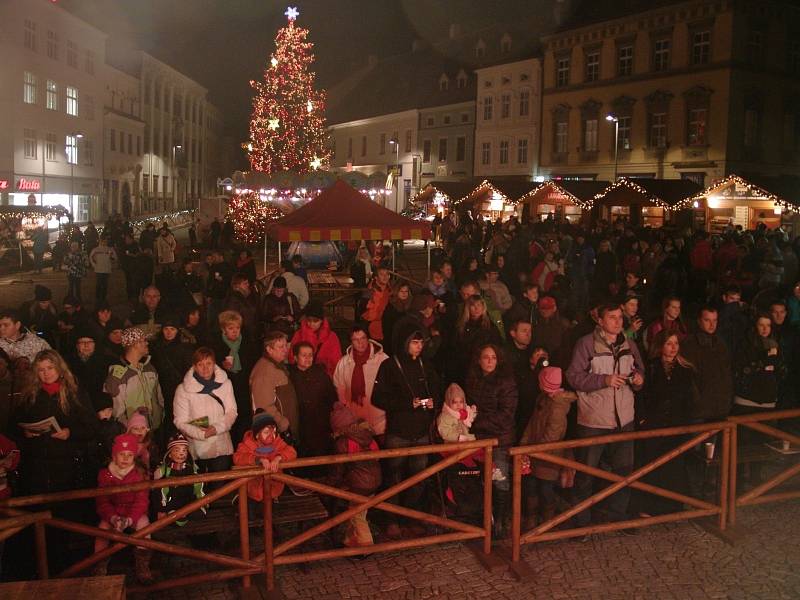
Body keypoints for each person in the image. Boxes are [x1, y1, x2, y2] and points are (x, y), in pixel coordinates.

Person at [566, 303, 644, 530]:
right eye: (612, 317)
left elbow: (640, 370)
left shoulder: (629, 344)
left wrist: (639, 380)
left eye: (620, 317)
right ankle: (581, 522)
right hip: (594, 420)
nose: (618, 322)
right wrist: (603, 380)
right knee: (586, 474)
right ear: (600, 320)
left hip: (624, 419)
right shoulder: (586, 344)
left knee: (623, 472)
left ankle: (617, 517)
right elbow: (573, 376)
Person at [372, 325, 442, 539]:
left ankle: (409, 518)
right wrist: (405, 403)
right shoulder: (389, 366)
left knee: (418, 479)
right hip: (398, 432)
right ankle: (392, 519)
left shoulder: (426, 365)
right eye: (414, 342)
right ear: (405, 342)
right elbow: (377, 398)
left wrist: (433, 402)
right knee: (393, 478)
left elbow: (437, 390)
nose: (418, 346)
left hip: (421, 432)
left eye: (421, 343)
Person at [465, 343, 518, 537]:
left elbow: (506, 414)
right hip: (478, 438)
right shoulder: (473, 379)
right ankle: (486, 520)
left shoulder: (506, 382)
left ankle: (501, 522)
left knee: (499, 480)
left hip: (499, 439)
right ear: (479, 359)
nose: (489, 361)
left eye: (493, 357)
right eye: (486, 357)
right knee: (480, 480)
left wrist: (475, 421)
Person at [519, 367, 577, 528]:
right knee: (530, 486)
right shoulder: (543, 399)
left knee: (545, 489)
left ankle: (548, 521)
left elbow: (552, 435)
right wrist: (524, 446)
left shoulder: (558, 406)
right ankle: (531, 518)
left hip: (548, 456)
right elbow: (532, 424)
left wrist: (534, 451)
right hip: (534, 452)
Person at [93, 433, 152, 582]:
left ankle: (143, 564)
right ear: (114, 456)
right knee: (102, 529)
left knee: (145, 527)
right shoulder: (105, 475)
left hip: (134, 512)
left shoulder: (139, 474)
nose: (125, 458)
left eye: (129, 455)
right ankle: (100, 564)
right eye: (121, 454)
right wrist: (112, 517)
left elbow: (141, 501)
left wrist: (130, 519)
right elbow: (102, 501)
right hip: (113, 512)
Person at [173, 347, 238, 476]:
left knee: (220, 488)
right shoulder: (183, 389)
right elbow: (180, 421)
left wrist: (216, 428)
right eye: (200, 364)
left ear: (214, 364)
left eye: (208, 363)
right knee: (200, 489)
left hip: (221, 444)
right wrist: (201, 434)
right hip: (197, 447)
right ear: (194, 367)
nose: (205, 368)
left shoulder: (226, 384)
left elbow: (232, 411)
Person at [328, 402, 382, 548]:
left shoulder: (343, 442)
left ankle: (366, 546)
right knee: (359, 512)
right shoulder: (368, 436)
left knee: (356, 514)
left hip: (358, 485)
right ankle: (349, 541)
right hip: (375, 480)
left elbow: (337, 469)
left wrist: (330, 486)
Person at [210, 310, 259, 444]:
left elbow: (254, 364)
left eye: (237, 328)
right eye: (230, 328)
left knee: (244, 419)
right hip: (225, 389)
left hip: (244, 387)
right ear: (223, 329)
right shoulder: (216, 345)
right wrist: (221, 366)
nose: (235, 331)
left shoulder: (248, 343)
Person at [332, 325, 389, 439]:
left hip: (380, 423)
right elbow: (339, 391)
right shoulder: (343, 363)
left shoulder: (383, 360)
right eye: (356, 339)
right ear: (351, 342)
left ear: (368, 338)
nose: (360, 342)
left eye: (363, 338)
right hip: (355, 425)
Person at [104, 327, 164, 430]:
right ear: (134, 344)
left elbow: (158, 397)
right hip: (131, 433)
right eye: (144, 340)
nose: (147, 343)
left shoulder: (149, 368)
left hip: (152, 429)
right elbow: (117, 411)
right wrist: (130, 429)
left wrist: (159, 416)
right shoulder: (118, 375)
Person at [680, 307, 733, 423]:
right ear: (699, 321)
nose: (712, 324)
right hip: (700, 410)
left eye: (715, 320)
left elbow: (726, 375)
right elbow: (687, 378)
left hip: (720, 407)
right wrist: (696, 402)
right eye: (707, 320)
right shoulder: (689, 344)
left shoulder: (720, 344)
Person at [233, 411, 297, 502]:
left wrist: (279, 457)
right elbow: (238, 458)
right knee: (250, 514)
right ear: (257, 434)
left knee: (271, 514)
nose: (271, 436)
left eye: (274, 432)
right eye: (266, 432)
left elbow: (291, 451)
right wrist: (257, 460)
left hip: (273, 491)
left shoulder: (277, 442)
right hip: (251, 492)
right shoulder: (247, 444)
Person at [288, 342, 336, 458]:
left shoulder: (321, 374)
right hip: (299, 426)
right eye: (304, 355)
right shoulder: (289, 376)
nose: (308, 358)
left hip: (320, 426)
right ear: (295, 357)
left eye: (310, 355)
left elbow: (332, 397)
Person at [150, 315, 197, 432]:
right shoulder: (155, 347)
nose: (169, 332)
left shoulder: (185, 348)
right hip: (160, 388)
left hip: (179, 388)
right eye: (166, 329)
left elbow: (190, 371)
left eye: (172, 329)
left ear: (177, 331)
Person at [250, 331, 299, 441]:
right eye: (281, 347)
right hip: (275, 435)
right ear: (269, 349)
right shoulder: (265, 372)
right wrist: (283, 424)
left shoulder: (277, 366)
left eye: (286, 345)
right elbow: (264, 406)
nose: (286, 350)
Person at [153, 433, 206, 526]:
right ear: (169, 454)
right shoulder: (163, 471)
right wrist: (161, 509)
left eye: (184, 450)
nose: (181, 453)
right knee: (174, 518)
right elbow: (160, 492)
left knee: (199, 515)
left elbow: (198, 486)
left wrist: (202, 501)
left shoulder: (192, 468)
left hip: (189, 502)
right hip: (172, 503)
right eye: (177, 450)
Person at [733, 314, 782, 413]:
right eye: (761, 325)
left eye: (768, 325)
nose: (765, 329)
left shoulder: (775, 345)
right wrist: (762, 362)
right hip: (747, 399)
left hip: (768, 399)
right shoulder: (745, 345)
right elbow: (742, 368)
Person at [289, 301, 342, 377]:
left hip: (323, 377)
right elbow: (292, 357)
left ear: (321, 320)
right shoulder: (299, 334)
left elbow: (336, 361)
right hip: (302, 376)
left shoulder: (332, 336)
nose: (312, 324)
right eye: (309, 320)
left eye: (315, 321)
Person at [223, 273, 260, 338]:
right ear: (237, 286)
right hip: (242, 334)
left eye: (248, 283)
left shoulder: (245, 296)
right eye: (245, 283)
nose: (248, 285)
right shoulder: (233, 299)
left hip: (249, 332)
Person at [381, 282, 413, 356]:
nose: (404, 293)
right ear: (396, 292)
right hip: (394, 342)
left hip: (408, 341)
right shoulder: (391, 307)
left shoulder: (411, 305)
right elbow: (387, 328)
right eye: (401, 291)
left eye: (406, 291)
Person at [361, 266, 391, 342]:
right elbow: (362, 310)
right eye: (382, 274)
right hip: (371, 329)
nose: (385, 277)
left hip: (386, 328)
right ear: (376, 277)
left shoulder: (391, 290)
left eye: (387, 274)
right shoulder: (369, 292)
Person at [89, 237, 117, 303]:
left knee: (105, 284)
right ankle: (98, 297)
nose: (104, 242)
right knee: (99, 284)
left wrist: (111, 258)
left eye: (105, 241)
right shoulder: (95, 250)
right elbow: (91, 257)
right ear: (100, 241)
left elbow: (115, 258)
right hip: (98, 269)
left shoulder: (110, 249)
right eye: (102, 241)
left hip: (106, 269)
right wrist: (94, 265)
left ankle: (103, 297)